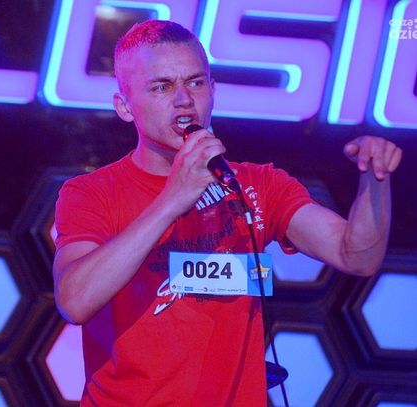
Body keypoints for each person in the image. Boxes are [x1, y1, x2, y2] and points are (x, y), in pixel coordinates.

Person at [52, 20, 402, 406]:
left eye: (196, 82)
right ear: (124, 105)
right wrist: (172, 200)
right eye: (162, 86)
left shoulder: (259, 185)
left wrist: (375, 179)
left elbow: (357, 256)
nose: (184, 99)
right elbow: (74, 301)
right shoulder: (91, 193)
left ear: (213, 90)